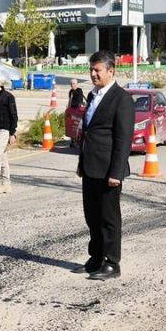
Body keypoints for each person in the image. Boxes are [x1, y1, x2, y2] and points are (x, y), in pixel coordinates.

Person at [73, 50, 134, 281]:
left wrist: (117, 172)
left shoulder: (122, 99)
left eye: (97, 70)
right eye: (91, 69)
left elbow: (123, 139)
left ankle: (111, 262)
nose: (93, 74)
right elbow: (87, 133)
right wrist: (81, 162)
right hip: (90, 167)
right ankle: (96, 257)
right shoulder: (92, 96)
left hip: (109, 170)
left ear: (111, 71)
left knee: (109, 218)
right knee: (92, 216)